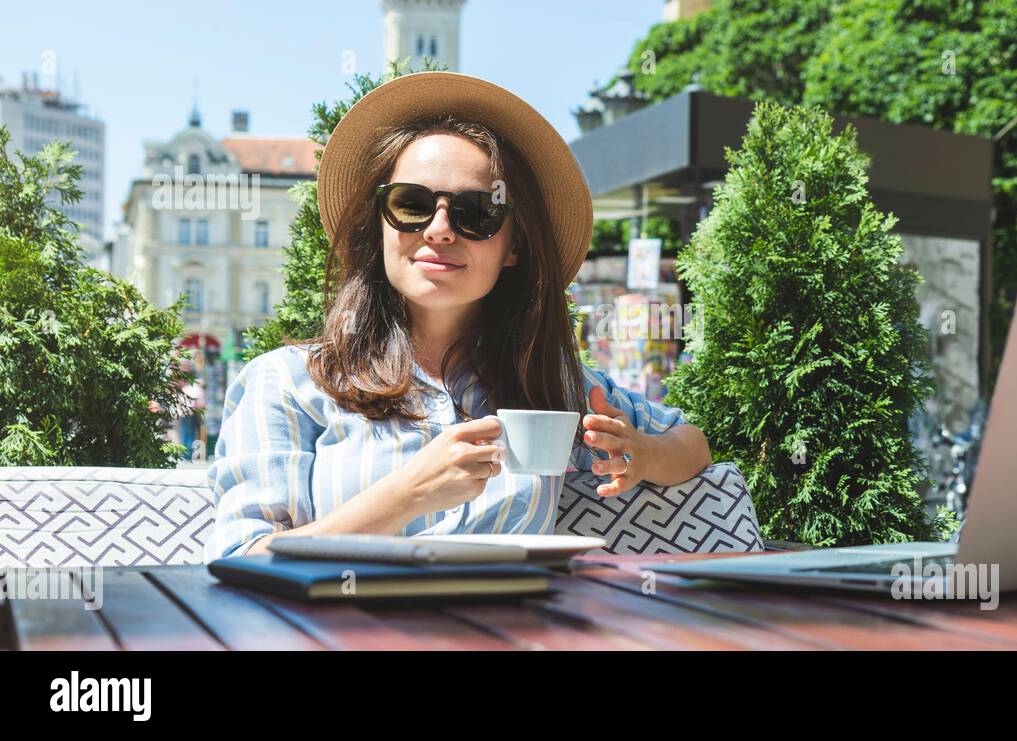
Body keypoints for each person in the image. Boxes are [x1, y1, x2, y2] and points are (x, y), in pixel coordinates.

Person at [204, 72, 712, 561]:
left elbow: (691, 443)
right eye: (412, 204)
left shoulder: (548, 382)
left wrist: (640, 453)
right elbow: (240, 559)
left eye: (476, 212)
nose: (440, 230)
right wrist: (405, 495)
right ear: (380, 224)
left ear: (514, 245)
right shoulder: (288, 384)